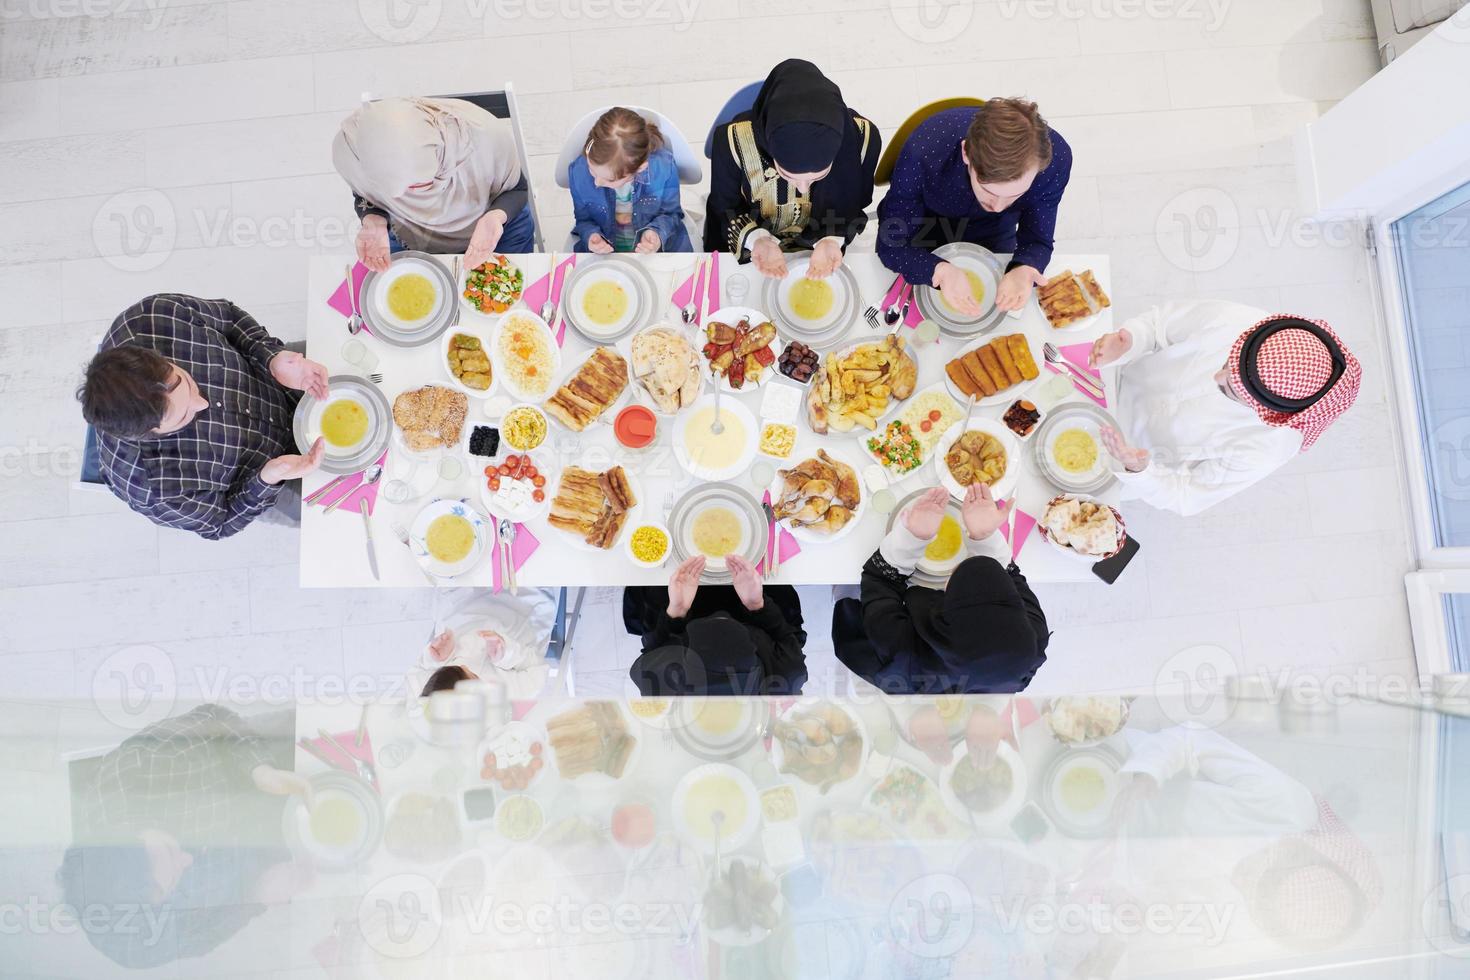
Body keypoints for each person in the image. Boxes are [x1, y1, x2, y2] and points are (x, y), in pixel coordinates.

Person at [56, 704, 313, 969]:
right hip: (286, 851)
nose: (187, 861)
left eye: (168, 851)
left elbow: (216, 718)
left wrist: (260, 770)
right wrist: (258, 894)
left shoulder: (144, 764)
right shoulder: (141, 939)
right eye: (173, 883)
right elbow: (200, 938)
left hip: (271, 759)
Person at [76, 294, 329, 539]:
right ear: (149, 434)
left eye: (186, 380)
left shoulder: (152, 317)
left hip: (279, 377)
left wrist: (271, 357)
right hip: (279, 478)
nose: (201, 402)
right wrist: (269, 478)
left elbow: (229, 318)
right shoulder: (153, 489)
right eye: (184, 414)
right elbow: (220, 523)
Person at [1088, 302, 1362, 516]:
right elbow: (1160, 324)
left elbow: (1187, 495)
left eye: (1229, 390)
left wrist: (1139, 470)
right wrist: (1130, 340)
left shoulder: (1268, 446)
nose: (1216, 379)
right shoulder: (1239, 321)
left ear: (1264, 411)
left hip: (1114, 468)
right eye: (1225, 365)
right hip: (1104, 384)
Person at [834, 484, 1048, 694]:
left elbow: (879, 579)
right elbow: (1013, 576)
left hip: (900, 668)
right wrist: (985, 536)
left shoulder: (902, 649)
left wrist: (912, 536)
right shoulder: (1033, 638)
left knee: (849, 588)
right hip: (979, 682)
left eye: (955, 577)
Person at [877, 98, 1072, 316]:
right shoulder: (924, 149)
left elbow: (1037, 238)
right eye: (989, 191)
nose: (998, 206)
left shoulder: (1057, 161)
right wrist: (938, 270)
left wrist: (1024, 267)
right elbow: (891, 245)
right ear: (966, 153)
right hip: (925, 220)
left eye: (1015, 195)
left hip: (996, 229)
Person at [704, 59, 882, 279]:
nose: (804, 189)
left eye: (820, 176)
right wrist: (757, 240)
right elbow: (724, 206)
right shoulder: (731, 142)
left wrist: (830, 239)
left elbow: (857, 203)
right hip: (755, 249)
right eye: (788, 175)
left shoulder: (863, 140)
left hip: (822, 249)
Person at [333, 96, 536, 271]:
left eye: (416, 187)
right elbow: (364, 195)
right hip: (408, 230)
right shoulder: (351, 154)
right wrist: (373, 219)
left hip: (492, 225)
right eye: (389, 191)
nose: (400, 198)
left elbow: (518, 189)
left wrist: (494, 218)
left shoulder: (485, 139)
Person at [623, 555, 808, 695]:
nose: (721, 616)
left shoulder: (657, 683)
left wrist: (677, 611)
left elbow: (653, 647)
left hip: (685, 617)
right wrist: (757, 605)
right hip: (753, 615)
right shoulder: (787, 676)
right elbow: (786, 636)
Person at [568, 106, 691, 254]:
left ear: (640, 168)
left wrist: (657, 233)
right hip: (606, 255)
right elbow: (584, 220)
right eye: (591, 170)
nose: (597, 182)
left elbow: (671, 214)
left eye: (609, 179)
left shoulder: (663, 167)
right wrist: (591, 236)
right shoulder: (578, 172)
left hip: (654, 254)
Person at [408, 587, 559, 702]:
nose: (465, 665)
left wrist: (436, 659)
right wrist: (507, 654)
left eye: (453, 667)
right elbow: (538, 668)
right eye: (473, 675)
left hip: (460, 600)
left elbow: (417, 670)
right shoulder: (511, 695)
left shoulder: (424, 697)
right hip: (519, 602)